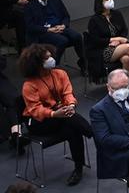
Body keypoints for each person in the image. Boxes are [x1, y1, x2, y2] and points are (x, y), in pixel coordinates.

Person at [19, 44, 92, 185]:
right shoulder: (29, 85)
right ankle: (95, 134)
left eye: (50, 56)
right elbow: (35, 110)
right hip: (39, 122)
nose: (51, 59)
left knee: (73, 129)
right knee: (70, 120)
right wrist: (53, 114)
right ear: (38, 63)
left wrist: (70, 105)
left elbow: (68, 93)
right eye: (47, 58)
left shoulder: (60, 74)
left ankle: (78, 169)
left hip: (62, 115)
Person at [84, 0, 129, 84]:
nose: (110, 0)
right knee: (128, 47)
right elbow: (95, 40)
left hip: (118, 46)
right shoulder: (94, 20)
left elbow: (124, 30)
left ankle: (125, 84)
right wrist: (114, 39)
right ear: (100, 3)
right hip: (102, 50)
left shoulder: (117, 14)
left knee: (126, 59)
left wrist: (119, 41)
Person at [24, 0, 86, 69]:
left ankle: (84, 63)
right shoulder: (29, 7)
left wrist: (64, 25)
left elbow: (66, 16)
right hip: (44, 32)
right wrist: (48, 29)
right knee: (62, 41)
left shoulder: (55, 0)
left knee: (77, 36)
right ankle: (52, 66)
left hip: (59, 27)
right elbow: (30, 26)